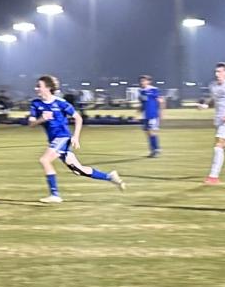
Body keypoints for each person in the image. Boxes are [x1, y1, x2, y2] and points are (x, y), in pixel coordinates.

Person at [29, 74, 124, 202]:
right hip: (54, 141)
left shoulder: (61, 103)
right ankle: (110, 177)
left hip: (62, 138)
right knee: (79, 170)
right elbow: (31, 124)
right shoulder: (35, 104)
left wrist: (76, 137)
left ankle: (55, 195)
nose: (36, 89)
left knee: (45, 160)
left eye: (39, 86)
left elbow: (78, 118)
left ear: (48, 88)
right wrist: (41, 119)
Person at [137, 74, 164, 157]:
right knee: (148, 133)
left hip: (153, 114)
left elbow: (161, 101)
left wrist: (161, 112)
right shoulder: (141, 91)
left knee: (152, 132)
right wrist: (139, 111)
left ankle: (156, 150)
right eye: (141, 81)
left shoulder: (153, 90)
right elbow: (143, 103)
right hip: (145, 115)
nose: (142, 82)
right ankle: (153, 150)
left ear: (149, 81)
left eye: (144, 80)